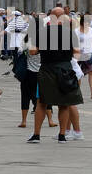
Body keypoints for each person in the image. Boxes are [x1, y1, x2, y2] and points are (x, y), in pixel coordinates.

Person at [30, 8, 82, 142]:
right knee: (63, 103)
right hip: (64, 68)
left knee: (41, 102)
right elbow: (77, 51)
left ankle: (36, 135)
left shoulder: (41, 32)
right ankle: (62, 135)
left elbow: (32, 51)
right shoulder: (70, 33)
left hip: (47, 69)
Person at [75, 12, 92, 100]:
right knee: (79, 74)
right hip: (79, 55)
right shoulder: (76, 31)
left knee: (91, 73)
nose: (88, 24)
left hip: (89, 53)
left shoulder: (91, 30)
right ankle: (77, 93)